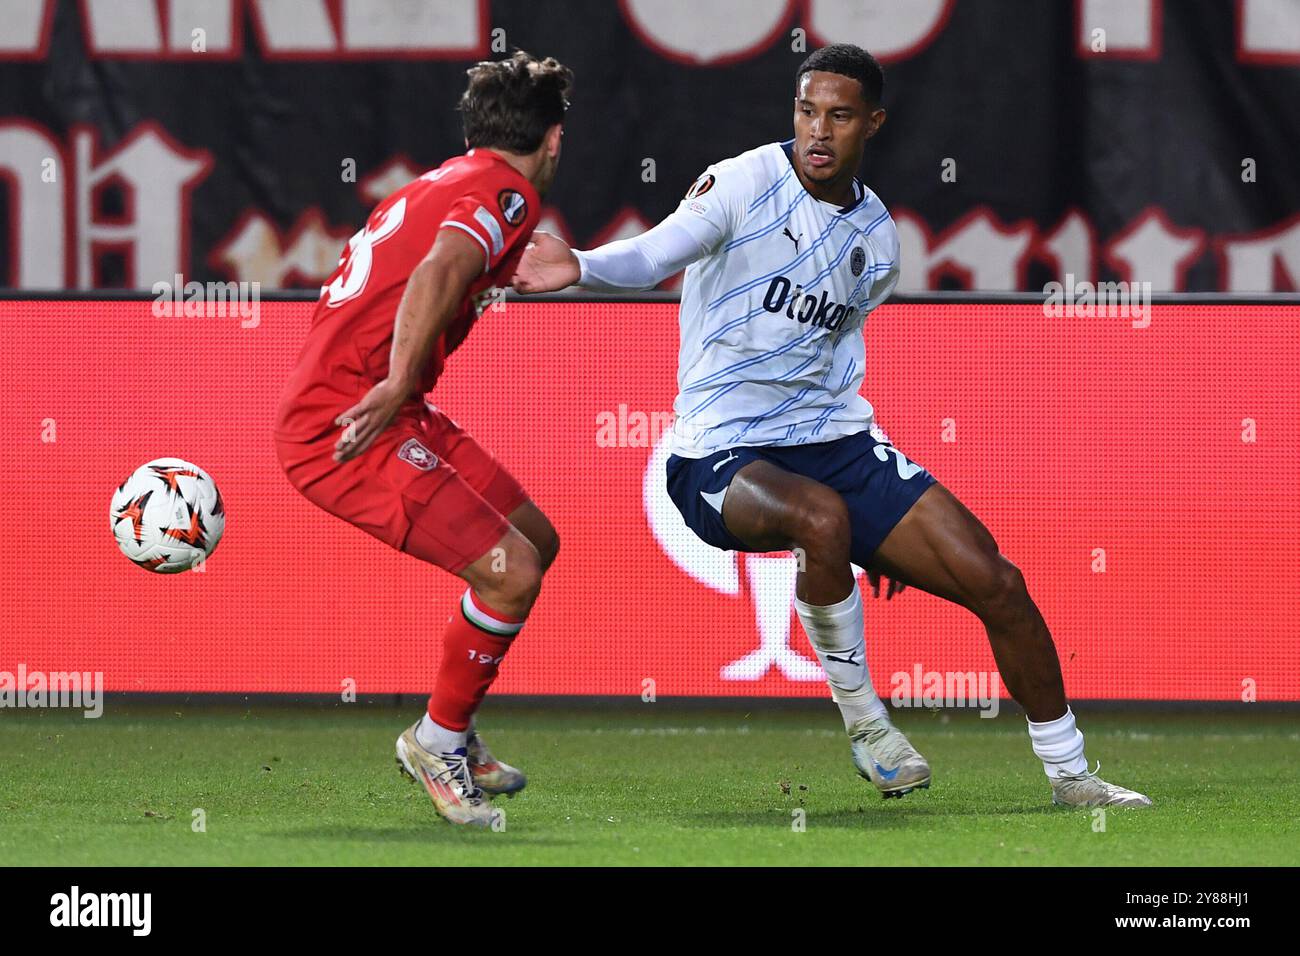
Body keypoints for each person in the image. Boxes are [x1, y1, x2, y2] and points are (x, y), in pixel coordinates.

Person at [512, 43, 1151, 809]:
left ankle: (1072, 778)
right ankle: (869, 727)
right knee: (820, 518)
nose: (819, 130)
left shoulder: (877, 239)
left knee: (1000, 583)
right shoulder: (744, 182)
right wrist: (578, 264)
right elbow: (655, 255)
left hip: (836, 444)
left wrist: (877, 525)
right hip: (719, 451)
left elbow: (835, 360)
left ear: (872, 123)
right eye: (807, 111)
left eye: (840, 116)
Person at [274, 51, 572, 827]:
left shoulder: (442, 180)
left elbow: (434, 264)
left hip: (378, 410)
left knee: (535, 541)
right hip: (347, 425)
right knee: (510, 574)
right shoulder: (506, 192)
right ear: (554, 142)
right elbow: (439, 270)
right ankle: (435, 741)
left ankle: (456, 726)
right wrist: (401, 379)